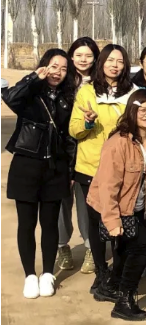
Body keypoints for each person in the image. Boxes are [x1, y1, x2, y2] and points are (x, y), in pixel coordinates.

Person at [86, 90, 146, 320]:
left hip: (137, 207)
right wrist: (112, 221)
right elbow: (107, 185)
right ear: (132, 111)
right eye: (142, 110)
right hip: (111, 206)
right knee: (143, 248)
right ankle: (124, 301)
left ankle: (110, 287)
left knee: (125, 249)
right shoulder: (118, 143)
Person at [3, 50, 76, 299]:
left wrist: (70, 170)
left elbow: (69, 138)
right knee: (26, 224)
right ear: (44, 66)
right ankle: (29, 276)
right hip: (26, 165)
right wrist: (33, 78)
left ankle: (47, 274)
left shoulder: (68, 98)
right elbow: (10, 98)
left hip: (55, 167)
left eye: (63, 68)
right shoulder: (30, 92)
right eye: (54, 66)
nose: (58, 72)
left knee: (50, 223)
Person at [69, 44, 137, 300]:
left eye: (119, 61)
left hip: (122, 170)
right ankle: (101, 272)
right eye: (110, 60)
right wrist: (87, 122)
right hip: (91, 168)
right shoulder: (86, 92)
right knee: (96, 223)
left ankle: (117, 273)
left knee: (121, 221)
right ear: (101, 63)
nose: (114, 65)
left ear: (125, 65)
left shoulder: (132, 93)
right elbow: (74, 130)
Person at [58, 36, 100, 274]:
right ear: (71, 57)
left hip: (88, 150)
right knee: (61, 201)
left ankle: (90, 248)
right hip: (62, 150)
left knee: (87, 202)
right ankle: (62, 246)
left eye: (88, 55)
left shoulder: (101, 83)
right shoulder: (61, 81)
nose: (83, 60)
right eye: (79, 55)